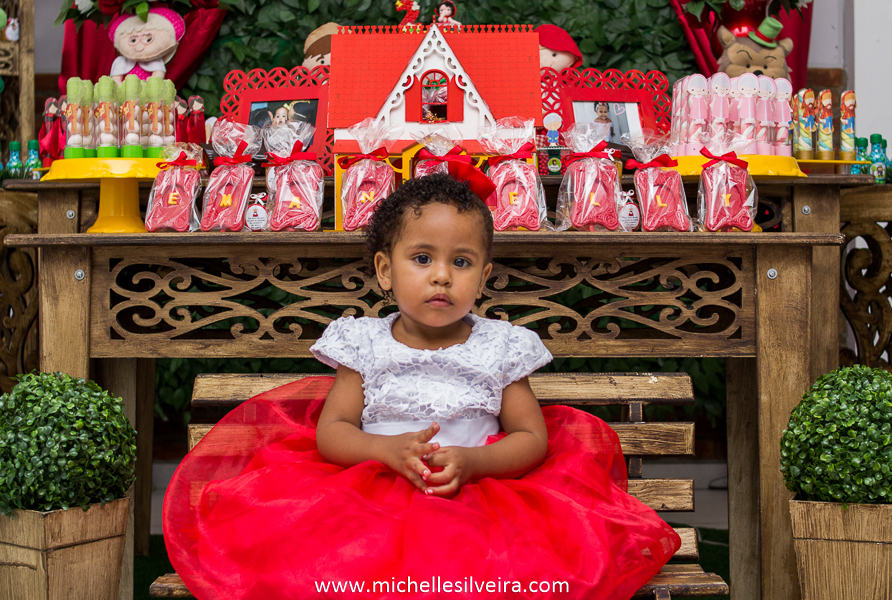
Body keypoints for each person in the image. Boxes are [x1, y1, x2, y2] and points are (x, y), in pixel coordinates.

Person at [163, 174, 680, 599]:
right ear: (385, 271)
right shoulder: (364, 342)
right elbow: (334, 431)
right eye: (422, 258)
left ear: (483, 277)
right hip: (370, 493)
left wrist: (474, 461)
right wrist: (384, 450)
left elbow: (532, 438)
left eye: (461, 262)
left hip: (480, 496)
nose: (441, 277)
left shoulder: (501, 346)